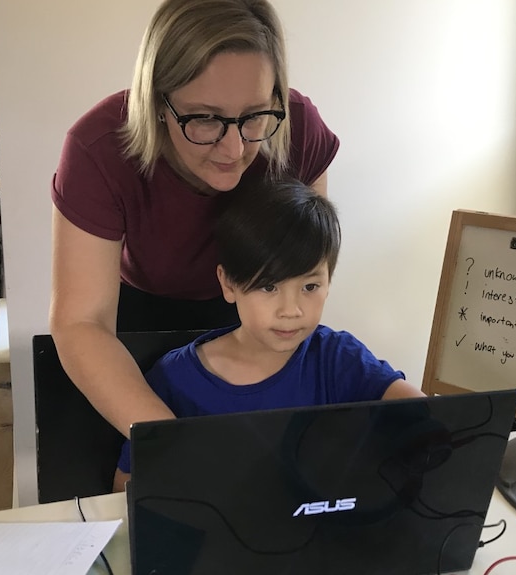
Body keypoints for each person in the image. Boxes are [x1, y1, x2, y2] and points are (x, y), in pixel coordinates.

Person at [49, 0, 340, 440]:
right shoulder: (100, 150)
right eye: (205, 119)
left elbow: (304, 270)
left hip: (257, 319)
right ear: (158, 103)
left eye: (255, 115)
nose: (234, 150)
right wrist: (174, 447)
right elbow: (81, 323)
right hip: (141, 323)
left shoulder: (297, 128)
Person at [113, 180, 423, 490]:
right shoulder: (174, 378)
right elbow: (126, 486)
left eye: (310, 287)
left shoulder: (338, 357)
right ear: (229, 284)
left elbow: (424, 416)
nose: (291, 310)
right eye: (269, 286)